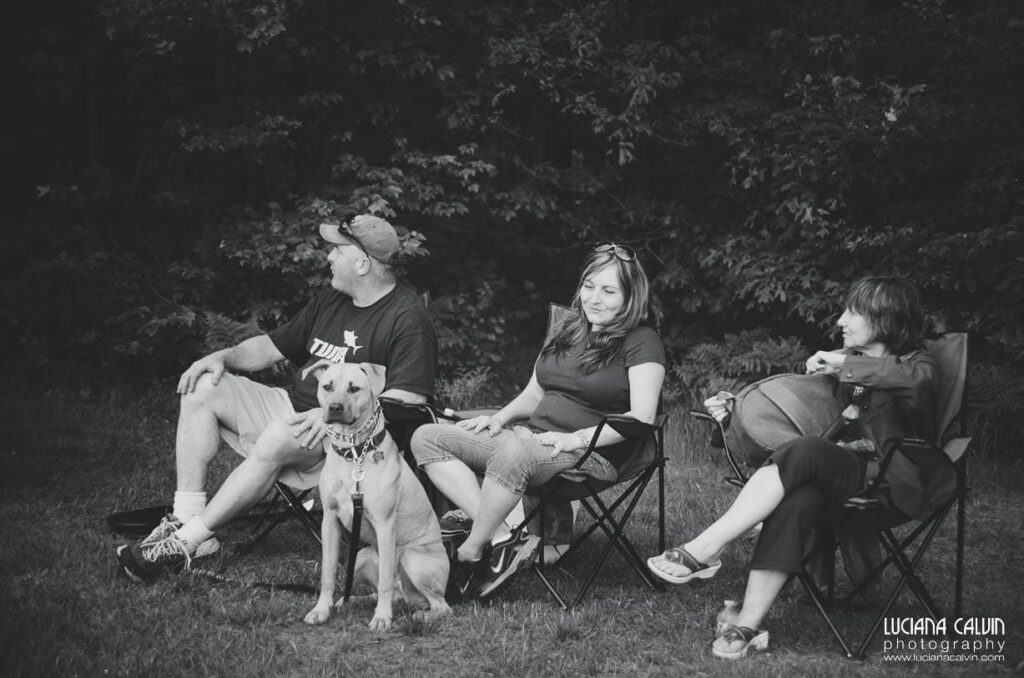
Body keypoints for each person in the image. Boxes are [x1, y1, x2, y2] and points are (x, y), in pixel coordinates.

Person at [646, 276, 955, 660]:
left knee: (806, 451)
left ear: (886, 319)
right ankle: (747, 621)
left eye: (853, 312)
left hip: (891, 482)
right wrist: (733, 415)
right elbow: (797, 414)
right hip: (842, 472)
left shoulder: (917, 364)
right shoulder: (848, 371)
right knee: (800, 497)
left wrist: (844, 363)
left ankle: (706, 547)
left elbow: (912, 382)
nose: (842, 320)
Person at [117, 215, 437, 583]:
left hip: (348, 438)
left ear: (362, 263)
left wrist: (327, 414)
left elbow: (408, 398)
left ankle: (184, 544)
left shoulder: (407, 318)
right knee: (203, 388)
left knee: (278, 436)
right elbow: (270, 346)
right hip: (294, 409)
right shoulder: (332, 300)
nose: (328, 257)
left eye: (336, 250)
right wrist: (222, 357)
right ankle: (186, 516)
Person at [410, 243, 666, 598]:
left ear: (631, 296)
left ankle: (472, 550)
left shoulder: (642, 341)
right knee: (426, 436)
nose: (594, 298)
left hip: (591, 455)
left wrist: (575, 440)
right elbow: (534, 394)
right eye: (589, 286)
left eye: (609, 291)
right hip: (529, 438)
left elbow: (642, 417)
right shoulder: (568, 329)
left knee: (516, 451)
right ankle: (506, 537)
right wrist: (497, 419)